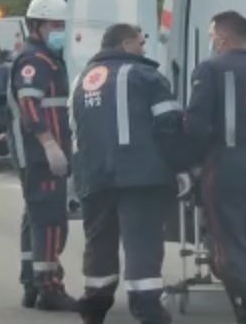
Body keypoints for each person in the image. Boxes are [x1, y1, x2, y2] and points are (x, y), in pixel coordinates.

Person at [71, 24, 186, 324]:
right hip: (141, 177)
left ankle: (94, 306)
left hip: (93, 176)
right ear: (125, 44)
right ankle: (147, 308)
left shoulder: (81, 80)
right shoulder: (146, 77)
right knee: (143, 242)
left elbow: (74, 131)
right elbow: (169, 126)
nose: (144, 48)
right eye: (140, 42)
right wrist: (181, 168)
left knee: (99, 242)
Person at [184, 11, 246, 324]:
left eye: (213, 35)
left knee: (229, 236)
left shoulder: (210, 69)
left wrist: (190, 162)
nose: (211, 41)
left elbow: (197, 125)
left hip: (226, 164)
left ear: (223, 37)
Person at [8, 0, 77, 312]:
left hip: (43, 152)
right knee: (49, 219)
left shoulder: (49, 58)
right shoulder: (35, 61)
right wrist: (49, 144)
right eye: (56, 24)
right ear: (37, 25)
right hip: (39, 154)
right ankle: (49, 288)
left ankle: (31, 281)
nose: (61, 30)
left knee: (35, 218)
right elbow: (29, 105)